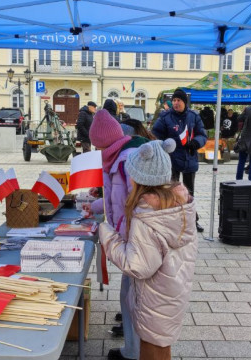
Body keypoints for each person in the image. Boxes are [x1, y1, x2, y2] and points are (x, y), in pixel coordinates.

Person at [99, 139, 197, 360]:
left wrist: (107, 235)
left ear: (139, 178)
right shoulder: (178, 205)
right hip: (172, 293)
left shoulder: (147, 216)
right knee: (162, 349)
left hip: (155, 300)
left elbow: (137, 266)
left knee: (152, 351)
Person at [87, 110, 150, 360]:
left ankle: (134, 353)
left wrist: (123, 233)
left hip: (136, 240)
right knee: (128, 296)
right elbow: (114, 198)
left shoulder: (126, 160)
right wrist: (93, 207)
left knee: (133, 299)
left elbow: (138, 203)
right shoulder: (116, 157)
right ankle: (132, 348)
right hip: (129, 238)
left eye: (96, 145)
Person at [151, 88, 207, 232]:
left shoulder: (194, 116)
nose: (176, 103)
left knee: (189, 193)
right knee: (171, 192)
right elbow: (155, 135)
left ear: (185, 102)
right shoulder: (165, 117)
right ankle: (172, 221)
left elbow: (202, 134)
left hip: (189, 158)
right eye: (174, 100)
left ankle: (192, 220)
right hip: (171, 160)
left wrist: (196, 142)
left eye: (179, 100)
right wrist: (162, 146)